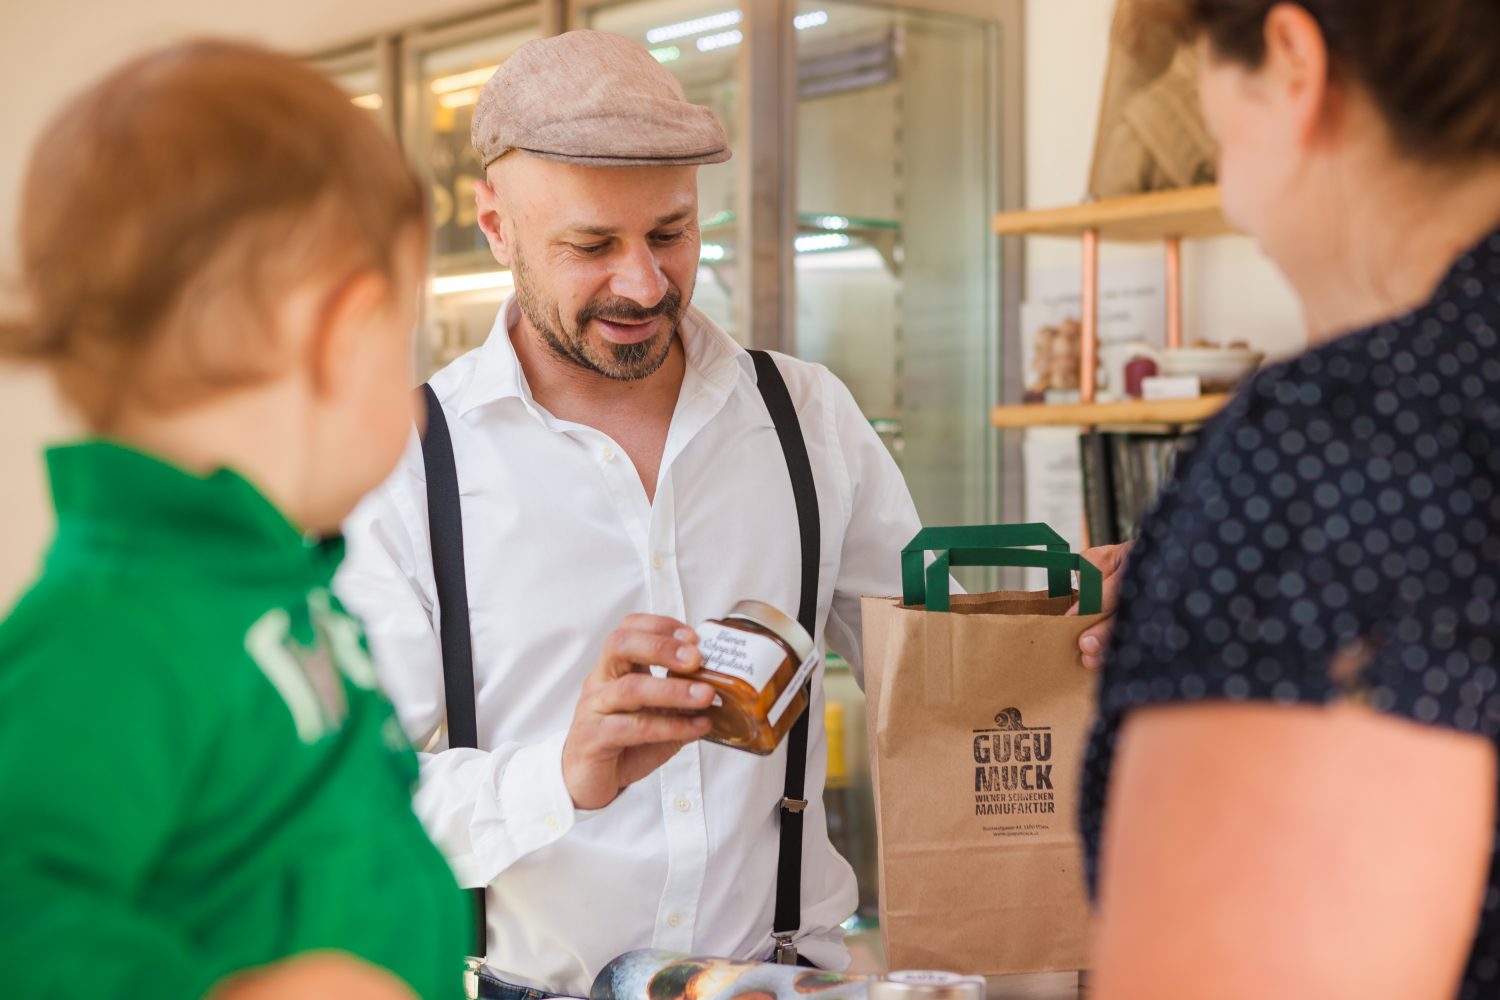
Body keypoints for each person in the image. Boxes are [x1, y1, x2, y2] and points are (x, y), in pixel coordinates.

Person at [337, 28, 1131, 1000]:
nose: (643, 282)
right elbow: (355, 799)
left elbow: (940, 689)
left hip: (782, 979)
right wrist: (565, 772)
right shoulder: (410, 462)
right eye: (590, 245)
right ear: (495, 225)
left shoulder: (805, 416)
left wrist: (1065, 643)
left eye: (670, 233)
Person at [0, 42, 468, 1000]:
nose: (417, 404)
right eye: (403, 344)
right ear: (342, 334)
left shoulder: (270, 585)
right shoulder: (110, 633)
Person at [1080, 2, 1500, 998]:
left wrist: (1255, 583)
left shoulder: (1347, 442)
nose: (1234, 199)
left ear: (1293, 60)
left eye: (1222, 138)